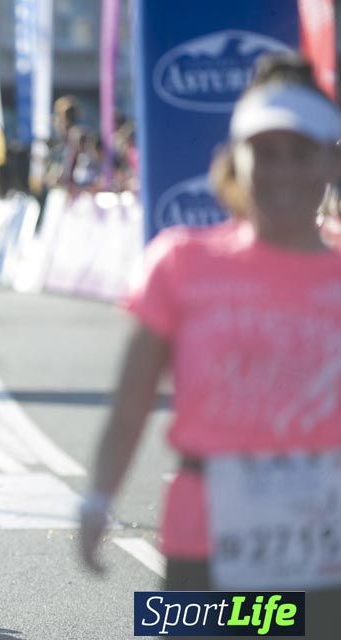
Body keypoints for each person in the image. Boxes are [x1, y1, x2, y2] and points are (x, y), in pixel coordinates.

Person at [78, 53, 341, 637]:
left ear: (331, 161)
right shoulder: (182, 262)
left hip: (327, 559)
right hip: (206, 546)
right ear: (235, 162)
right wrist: (97, 498)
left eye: (301, 154)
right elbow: (131, 401)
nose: (283, 173)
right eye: (265, 154)